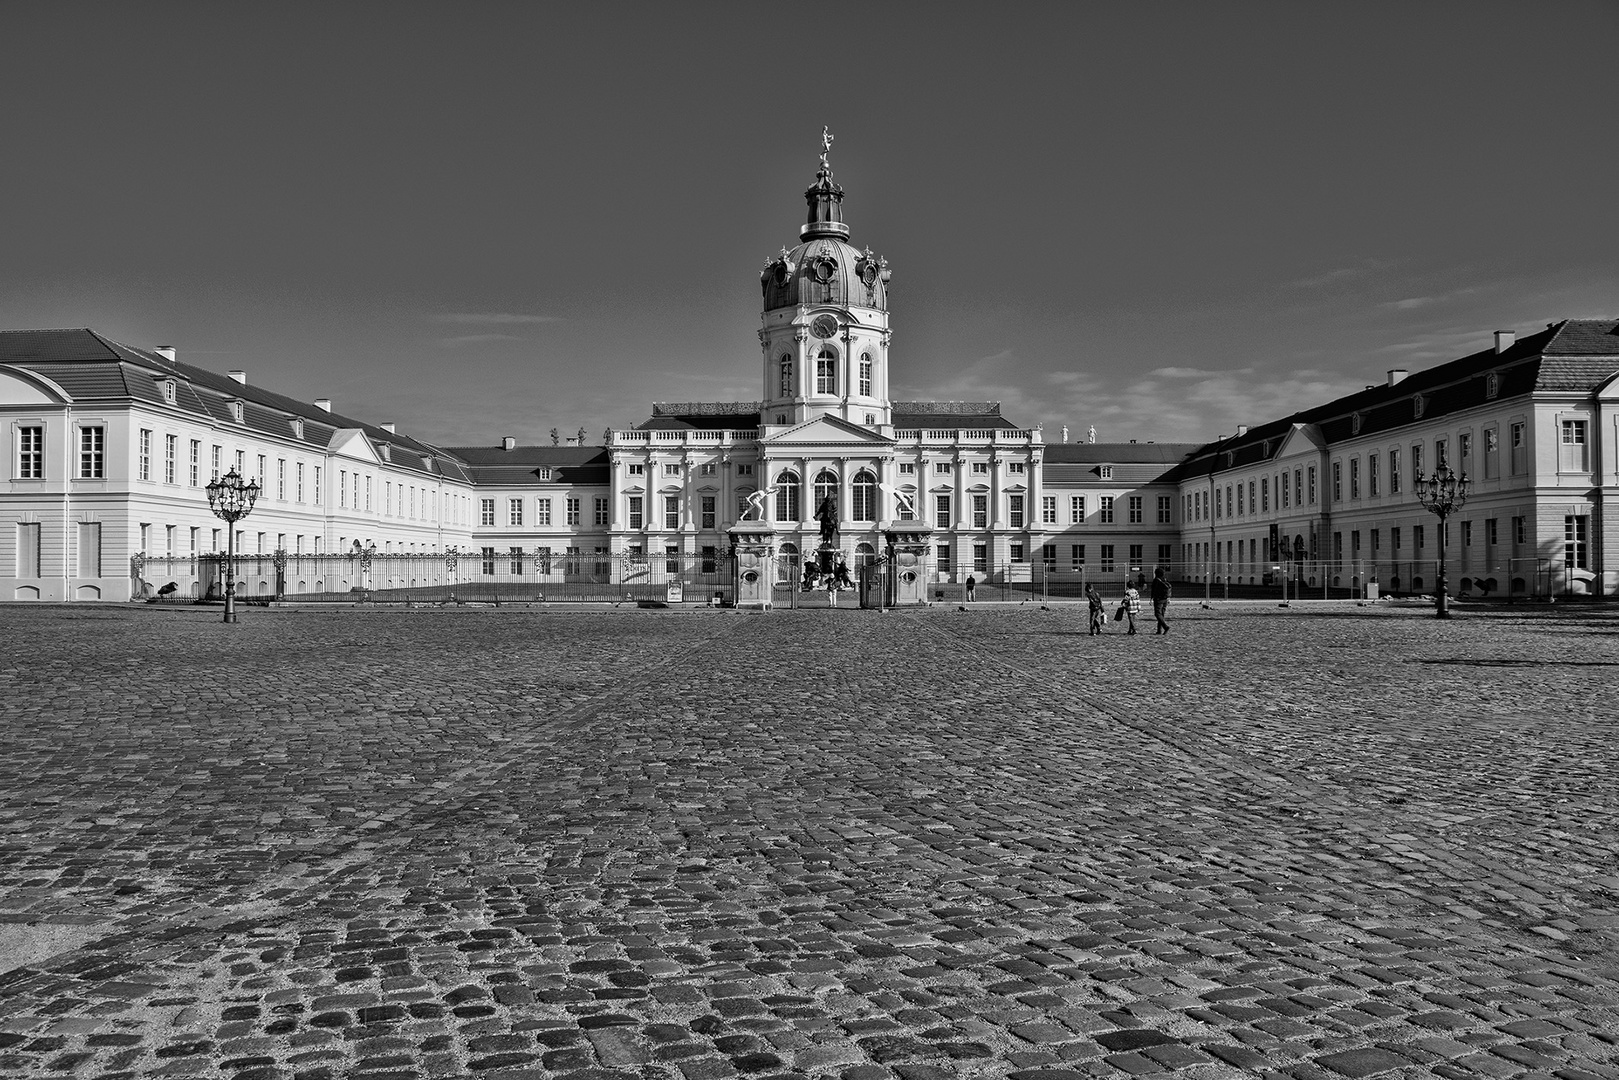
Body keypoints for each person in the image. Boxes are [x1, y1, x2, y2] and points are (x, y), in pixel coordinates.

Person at [1150, 567, 1171, 634]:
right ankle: (1159, 630)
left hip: (1158, 599)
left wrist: (1151, 598)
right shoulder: (1164, 579)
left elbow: (1153, 590)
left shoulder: (1156, 580)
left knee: (1157, 614)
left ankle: (1165, 627)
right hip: (1165, 599)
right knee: (1161, 614)